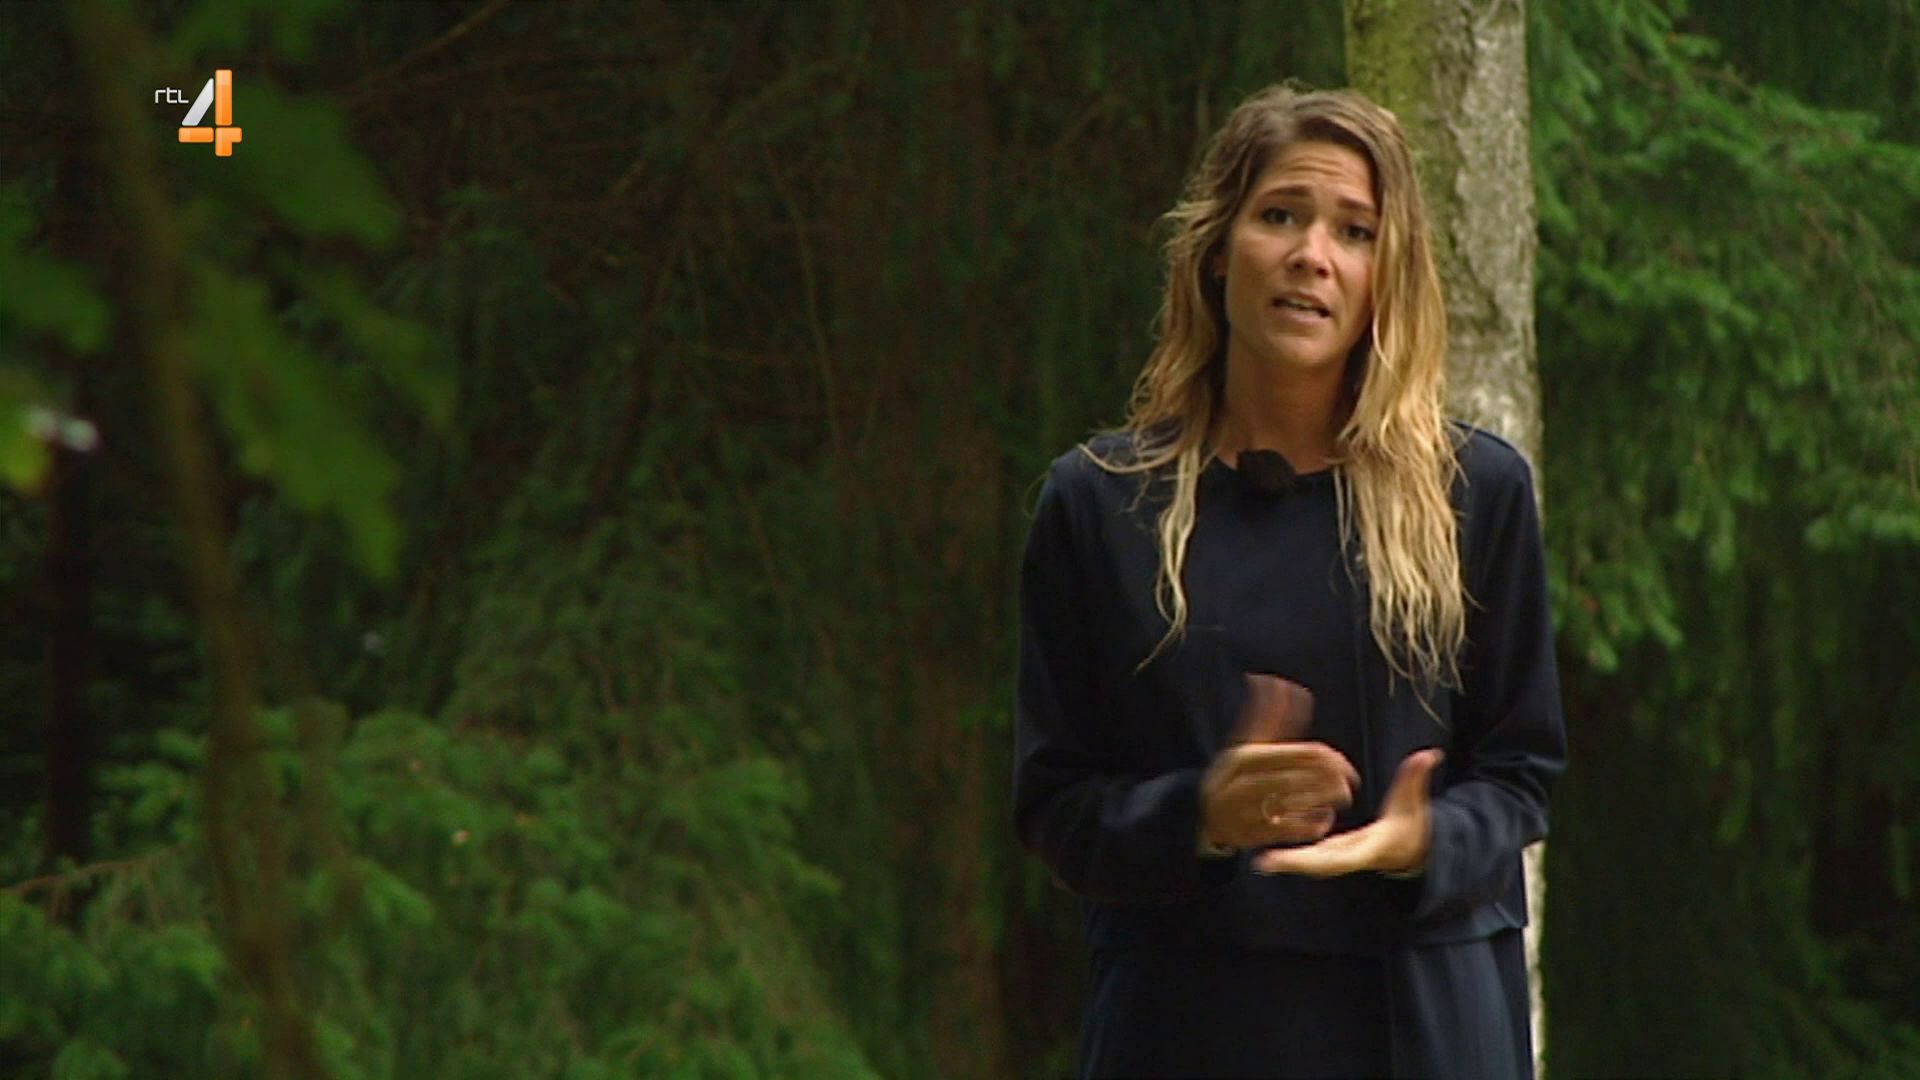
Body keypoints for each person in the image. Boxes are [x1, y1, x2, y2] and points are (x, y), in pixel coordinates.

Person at [1012, 84, 1567, 1079]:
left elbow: (1521, 772)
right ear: (1218, 250)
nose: (1313, 254)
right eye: (1280, 215)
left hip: (1421, 1022)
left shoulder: (1474, 494)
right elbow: (1056, 805)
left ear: (1387, 277)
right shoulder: (1100, 505)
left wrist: (1426, 839)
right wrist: (1201, 815)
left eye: (1355, 232)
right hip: (1185, 1026)